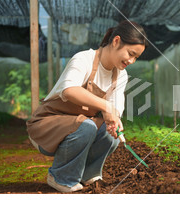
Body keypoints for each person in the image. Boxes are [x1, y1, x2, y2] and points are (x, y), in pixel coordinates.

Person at [26, 20, 147, 192]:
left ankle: (88, 174)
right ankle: (60, 177)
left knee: (108, 130)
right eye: (130, 53)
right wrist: (106, 106)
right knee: (87, 127)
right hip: (45, 127)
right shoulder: (84, 59)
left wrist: (114, 120)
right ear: (116, 41)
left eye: (136, 57)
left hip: (77, 127)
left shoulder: (120, 75)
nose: (132, 61)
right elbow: (69, 90)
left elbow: (115, 108)